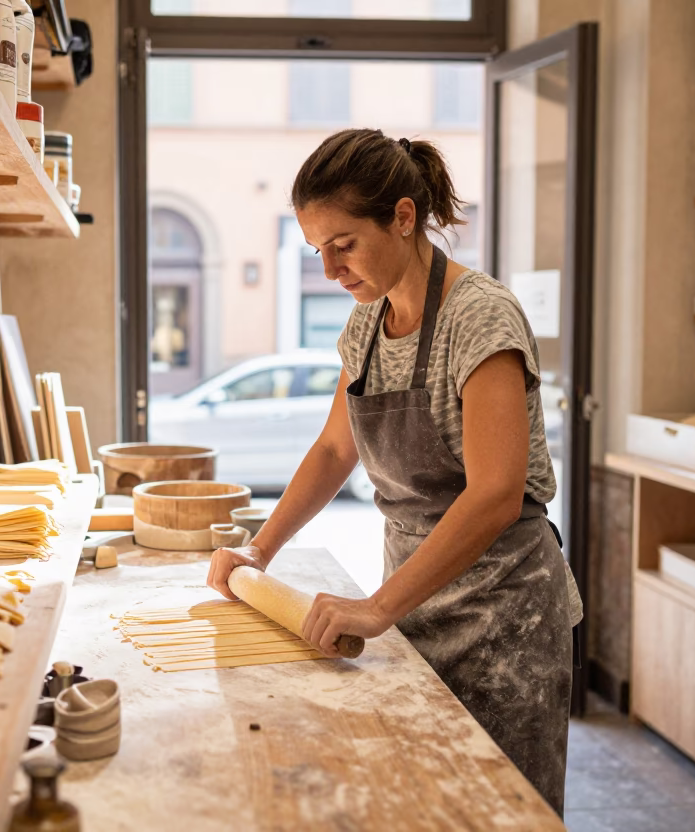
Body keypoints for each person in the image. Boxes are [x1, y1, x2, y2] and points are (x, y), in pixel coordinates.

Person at [206, 128, 583, 814]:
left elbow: (497, 493)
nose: (329, 270)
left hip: (504, 616)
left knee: (501, 813)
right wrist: (259, 549)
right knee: (424, 804)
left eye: (343, 245)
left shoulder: (481, 318)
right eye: (318, 250)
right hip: (415, 600)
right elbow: (332, 451)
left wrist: (380, 605)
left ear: (404, 217)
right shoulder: (366, 324)